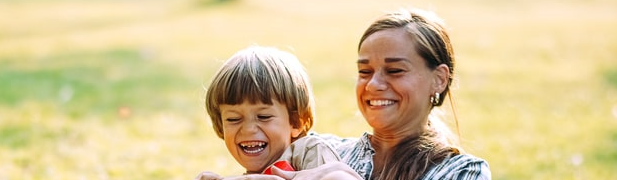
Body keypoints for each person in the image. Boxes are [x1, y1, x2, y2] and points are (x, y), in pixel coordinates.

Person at [268, 9, 491, 180]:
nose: (373, 84)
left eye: (395, 71)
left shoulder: (462, 171)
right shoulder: (317, 151)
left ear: (439, 79)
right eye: (364, 72)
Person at [197, 46, 341, 180]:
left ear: (296, 121)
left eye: (263, 117)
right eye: (233, 119)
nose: (248, 129)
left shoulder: (309, 150)